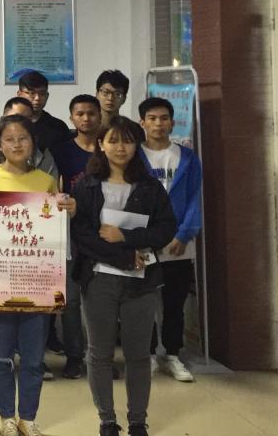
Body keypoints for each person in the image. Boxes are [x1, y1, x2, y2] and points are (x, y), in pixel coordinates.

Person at [71, 116, 177, 436]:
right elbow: (82, 236)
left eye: (128, 141)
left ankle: (138, 420)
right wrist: (123, 255)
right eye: (113, 141)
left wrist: (126, 237)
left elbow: (165, 229)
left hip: (141, 281)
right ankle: (107, 420)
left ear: (136, 145)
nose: (121, 148)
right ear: (101, 145)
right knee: (99, 353)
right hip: (99, 279)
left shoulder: (150, 187)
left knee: (138, 354)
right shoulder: (86, 186)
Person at [0, 114, 76, 436]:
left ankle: (28, 418)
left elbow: (53, 228)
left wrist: (67, 208)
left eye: (23, 138)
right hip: (0, 281)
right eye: (9, 139)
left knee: (33, 357)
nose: (16, 144)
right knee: (1, 356)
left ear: (33, 143)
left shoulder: (45, 181)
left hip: (37, 282)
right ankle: (6, 417)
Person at [138, 97, 203, 383]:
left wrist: (184, 234)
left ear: (173, 123)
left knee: (174, 301)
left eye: (164, 118)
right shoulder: (133, 156)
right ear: (142, 122)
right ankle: (149, 353)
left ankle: (173, 354)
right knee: (143, 300)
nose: (158, 124)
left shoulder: (187, 157)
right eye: (152, 118)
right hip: (144, 241)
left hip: (179, 242)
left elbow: (195, 198)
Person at [49, 95, 103, 380]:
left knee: (100, 299)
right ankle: (74, 356)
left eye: (91, 113)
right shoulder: (61, 151)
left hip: (103, 233)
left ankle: (101, 357)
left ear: (99, 116)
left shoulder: (109, 148)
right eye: (80, 113)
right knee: (70, 300)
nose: (86, 118)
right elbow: (52, 187)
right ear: (71, 118)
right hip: (68, 232)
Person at [1, 97, 59, 180]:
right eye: (17, 117)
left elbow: (51, 184)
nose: (22, 123)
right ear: (3, 119)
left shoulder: (42, 154)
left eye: (28, 119)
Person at [16, 71, 71, 154]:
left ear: (47, 96)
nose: (37, 98)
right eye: (32, 93)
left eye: (42, 94)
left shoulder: (58, 127)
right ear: (19, 94)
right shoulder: (10, 124)